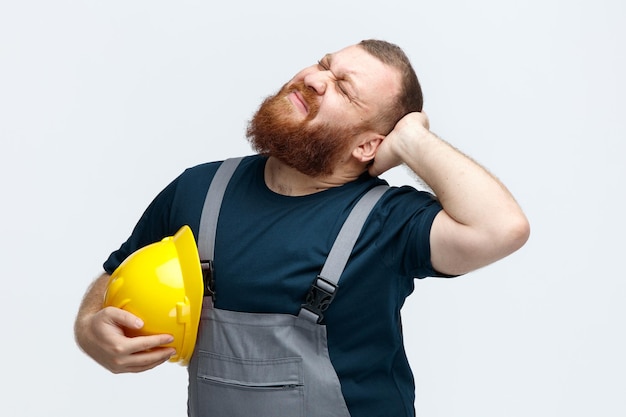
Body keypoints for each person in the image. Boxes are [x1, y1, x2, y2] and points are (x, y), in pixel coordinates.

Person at [74, 39, 530, 417]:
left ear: (370, 144)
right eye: (325, 65)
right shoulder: (199, 190)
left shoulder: (390, 221)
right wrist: (89, 326)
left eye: (344, 90)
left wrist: (413, 140)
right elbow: (114, 277)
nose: (314, 78)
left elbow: (502, 229)